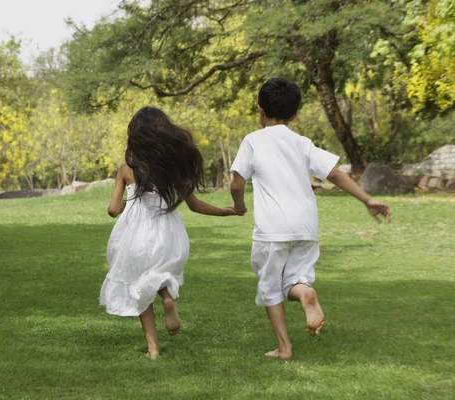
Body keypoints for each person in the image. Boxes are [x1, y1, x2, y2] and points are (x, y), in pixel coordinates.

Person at [229, 78, 391, 361]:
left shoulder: (252, 140)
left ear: (259, 109)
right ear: (295, 115)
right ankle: (305, 293)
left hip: (272, 228)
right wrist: (368, 199)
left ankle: (284, 348)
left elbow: (236, 182)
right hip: (306, 226)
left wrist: (239, 205)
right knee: (293, 280)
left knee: (270, 287)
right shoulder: (302, 143)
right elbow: (336, 174)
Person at [100, 107, 242, 360]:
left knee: (139, 286)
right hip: (168, 233)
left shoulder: (126, 169)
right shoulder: (172, 169)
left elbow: (113, 210)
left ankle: (153, 349)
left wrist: (126, 204)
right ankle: (167, 296)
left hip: (135, 234)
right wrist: (225, 211)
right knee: (160, 274)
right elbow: (196, 205)